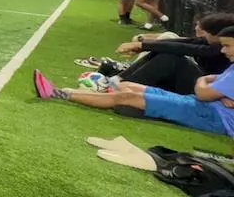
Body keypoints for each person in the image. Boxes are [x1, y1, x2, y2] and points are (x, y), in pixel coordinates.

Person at [33, 26, 234, 138]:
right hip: (204, 105)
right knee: (127, 86)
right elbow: (211, 87)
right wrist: (212, 88)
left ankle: (58, 92)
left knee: (127, 96)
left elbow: (203, 92)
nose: (223, 50)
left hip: (213, 117)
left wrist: (204, 82)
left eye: (227, 46)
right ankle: (117, 100)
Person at [96, 12, 234, 95]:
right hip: (203, 86)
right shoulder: (215, 44)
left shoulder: (218, 49)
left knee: (171, 58)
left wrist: (142, 45)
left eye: (207, 32)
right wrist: (142, 45)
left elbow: (186, 48)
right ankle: (118, 80)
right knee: (165, 49)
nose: (203, 34)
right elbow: (183, 42)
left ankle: (123, 89)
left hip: (206, 91)